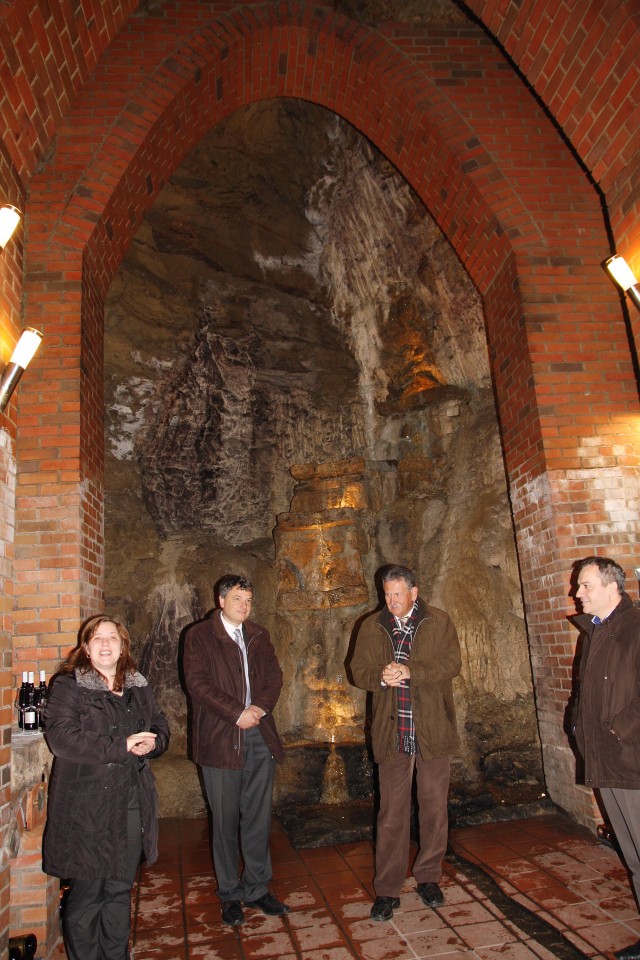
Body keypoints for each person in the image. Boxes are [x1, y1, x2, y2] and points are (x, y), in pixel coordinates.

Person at [42, 614, 170, 960]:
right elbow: (62, 738)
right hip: (87, 808)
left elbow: (159, 723)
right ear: (85, 647)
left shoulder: (138, 685)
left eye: (112, 637)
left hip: (130, 801)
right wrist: (121, 746)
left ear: (123, 646)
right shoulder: (69, 685)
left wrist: (154, 743)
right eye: (96, 638)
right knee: (87, 897)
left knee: (119, 890)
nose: (105, 644)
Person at [351, 564, 461, 922]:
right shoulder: (372, 626)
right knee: (391, 813)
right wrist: (382, 677)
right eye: (387, 594)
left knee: (434, 808)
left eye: (398, 594)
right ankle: (387, 888)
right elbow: (358, 670)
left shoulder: (439, 621)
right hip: (392, 731)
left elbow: (451, 664)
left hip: (432, 730)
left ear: (414, 592)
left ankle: (429, 877)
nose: (392, 601)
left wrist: (412, 671)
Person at [183, 574, 289, 926]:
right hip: (220, 739)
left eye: (248, 600)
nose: (244, 606)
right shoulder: (200, 635)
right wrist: (236, 713)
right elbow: (197, 684)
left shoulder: (259, 635)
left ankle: (257, 888)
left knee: (258, 818)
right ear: (221, 600)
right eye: (237, 599)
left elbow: (274, 677)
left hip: (259, 735)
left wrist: (258, 708)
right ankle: (229, 893)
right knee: (225, 822)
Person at [571, 555, 640, 960]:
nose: (577, 593)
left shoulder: (635, 628)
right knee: (632, 854)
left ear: (612, 587)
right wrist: (579, 728)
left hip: (632, 760)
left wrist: (619, 730)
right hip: (606, 760)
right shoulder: (594, 631)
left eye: (586, 585)